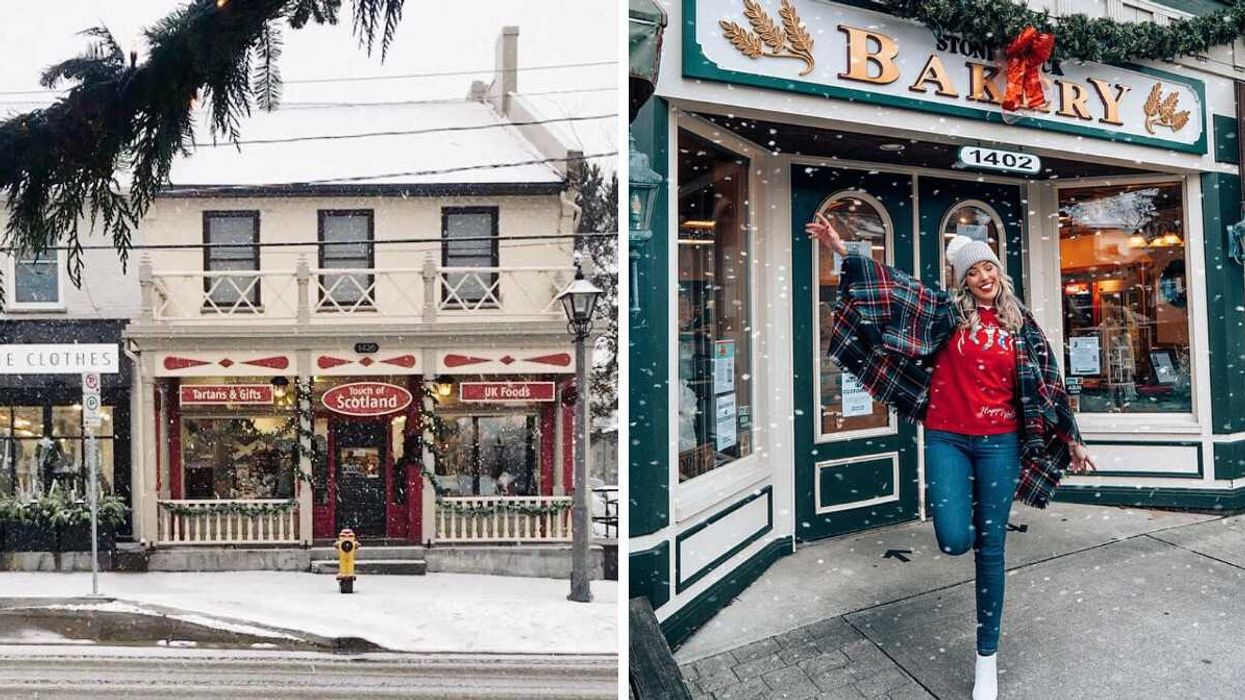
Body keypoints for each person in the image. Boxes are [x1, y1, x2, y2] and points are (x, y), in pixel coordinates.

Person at [805, 212, 1097, 700]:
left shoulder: (1022, 326)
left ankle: (987, 660)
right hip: (947, 438)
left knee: (992, 548)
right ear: (962, 280)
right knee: (954, 539)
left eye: (988, 269)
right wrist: (841, 247)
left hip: (1000, 443)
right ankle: (969, 546)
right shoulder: (944, 313)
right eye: (973, 273)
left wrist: (1072, 437)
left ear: (998, 271)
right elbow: (888, 287)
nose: (984, 278)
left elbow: (1049, 386)